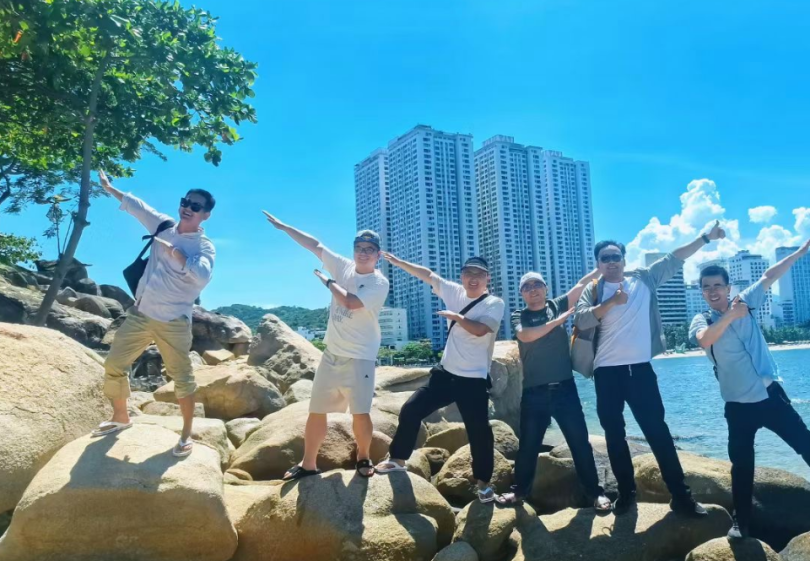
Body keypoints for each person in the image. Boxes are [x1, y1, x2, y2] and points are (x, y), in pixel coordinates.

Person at [690, 239, 810, 540]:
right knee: (742, 465)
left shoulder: (746, 300)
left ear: (728, 287)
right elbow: (705, 339)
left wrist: (799, 253)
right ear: (702, 292)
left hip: (770, 396)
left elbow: (770, 275)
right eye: (706, 287)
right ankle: (742, 522)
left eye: (718, 285)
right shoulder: (701, 320)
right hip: (737, 405)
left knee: (807, 445)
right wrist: (730, 316)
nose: (712, 291)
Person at [574, 222, 727, 515]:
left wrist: (706, 237)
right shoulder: (592, 291)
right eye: (605, 258)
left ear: (624, 259)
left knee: (658, 432)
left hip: (640, 371)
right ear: (598, 264)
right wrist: (611, 303)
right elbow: (581, 320)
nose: (611, 262)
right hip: (607, 373)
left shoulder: (643, 279)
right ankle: (626, 494)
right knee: (614, 436)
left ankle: (681, 497)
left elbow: (674, 258)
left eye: (616, 256)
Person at [93, 170, 215, 456]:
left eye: (195, 206)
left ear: (205, 215)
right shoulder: (164, 226)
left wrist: (178, 256)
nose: (187, 207)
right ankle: (121, 417)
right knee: (114, 364)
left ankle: (186, 434)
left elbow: (203, 275)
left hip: (173, 321)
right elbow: (139, 207)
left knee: (181, 377)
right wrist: (110, 188)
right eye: (185, 201)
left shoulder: (203, 246)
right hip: (141, 314)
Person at [262, 213, 390, 483]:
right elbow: (315, 245)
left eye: (369, 249)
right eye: (359, 248)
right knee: (316, 410)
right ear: (353, 250)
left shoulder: (379, 283)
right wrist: (284, 227)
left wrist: (328, 282)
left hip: (360, 357)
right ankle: (308, 463)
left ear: (378, 255)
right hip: (332, 354)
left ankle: (363, 457)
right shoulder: (344, 267)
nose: (363, 253)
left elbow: (351, 302)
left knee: (360, 413)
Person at [375, 253, 505, 503]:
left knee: (480, 433)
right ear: (462, 276)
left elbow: (480, 330)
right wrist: (399, 263)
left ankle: (484, 484)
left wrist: (456, 317)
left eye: (479, 274)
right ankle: (398, 459)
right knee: (411, 409)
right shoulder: (454, 292)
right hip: (445, 375)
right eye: (469, 273)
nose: (473, 278)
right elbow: (428, 275)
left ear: (487, 278)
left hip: (474, 380)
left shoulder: (494, 303)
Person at [496, 269, 612, 512]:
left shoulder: (555, 305)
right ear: (522, 293)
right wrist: (557, 322)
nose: (533, 290)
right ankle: (519, 492)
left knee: (579, 443)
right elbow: (525, 336)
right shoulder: (520, 315)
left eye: (537, 284)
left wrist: (602, 267)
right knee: (528, 446)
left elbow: (581, 285)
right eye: (527, 287)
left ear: (545, 288)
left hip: (565, 390)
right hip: (533, 393)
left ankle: (594, 492)